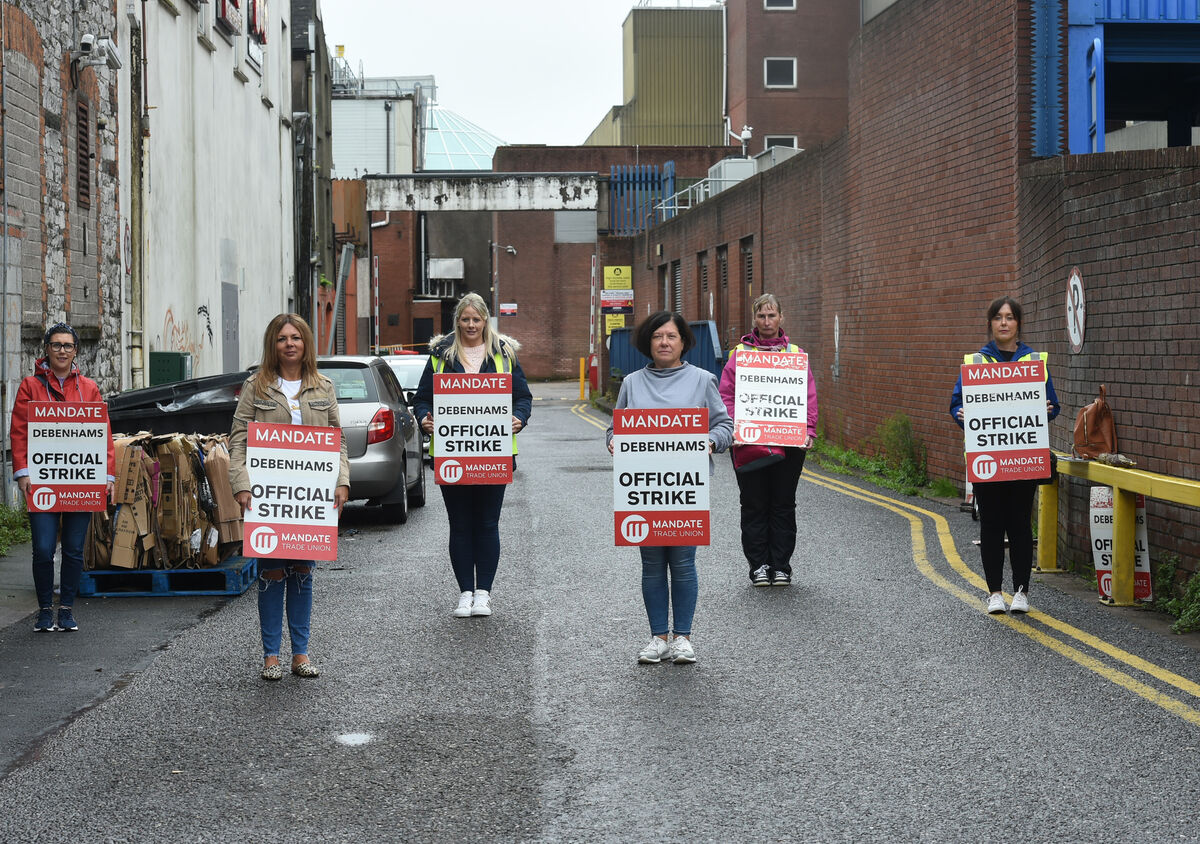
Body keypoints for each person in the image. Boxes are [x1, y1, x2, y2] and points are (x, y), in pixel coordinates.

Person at [606, 311, 733, 665]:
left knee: (682, 562)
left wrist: (709, 440)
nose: (664, 342)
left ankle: (683, 639)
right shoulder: (632, 382)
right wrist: (615, 440)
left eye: (671, 336)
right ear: (648, 342)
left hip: (685, 487)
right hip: (645, 488)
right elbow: (615, 428)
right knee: (651, 563)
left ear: (683, 342)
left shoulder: (702, 380)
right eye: (658, 336)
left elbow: (725, 426)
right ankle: (658, 637)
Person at [229, 314, 350, 680]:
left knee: (301, 572)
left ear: (305, 343)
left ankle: (300, 654)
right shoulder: (256, 387)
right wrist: (241, 483)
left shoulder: (323, 386)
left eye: (296, 337)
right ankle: (270, 655)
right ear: (273, 344)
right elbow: (238, 439)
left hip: (309, 498)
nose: (289, 344)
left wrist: (342, 481)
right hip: (269, 496)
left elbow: (337, 438)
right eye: (282, 338)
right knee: (271, 571)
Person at [413, 293, 532, 619]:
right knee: (460, 525)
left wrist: (519, 417)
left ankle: (484, 595)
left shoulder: (504, 355)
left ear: (485, 321)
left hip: (494, 454)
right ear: (458, 321)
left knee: (487, 523)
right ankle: (465, 593)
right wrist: (425, 418)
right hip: (452, 455)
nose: (470, 325)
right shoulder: (440, 355)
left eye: (476, 319)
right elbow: (422, 399)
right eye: (465, 319)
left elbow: (522, 397)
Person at [950, 296, 1060, 615]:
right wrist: (960, 412)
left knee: (1020, 525)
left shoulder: (1033, 361)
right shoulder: (975, 363)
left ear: (1018, 324)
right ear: (990, 324)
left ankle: (1022, 593)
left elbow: (1050, 404)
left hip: (1024, 458)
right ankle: (995, 593)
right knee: (992, 526)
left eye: (1010, 317)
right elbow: (956, 404)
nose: (1004, 322)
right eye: (998, 317)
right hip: (988, 458)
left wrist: (1047, 411)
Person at [10, 323, 115, 633]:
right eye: (56, 345)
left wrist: (106, 475)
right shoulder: (30, 386)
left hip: (80, 480)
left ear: (76, 351)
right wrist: (22, 472)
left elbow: (103, 434)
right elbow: (19, 431)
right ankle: (44, 610)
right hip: (42, 480)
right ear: (46, 349)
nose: (61, 351)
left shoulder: (90, 388)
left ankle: (66, 609)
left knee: (72, 547)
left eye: (68, 346)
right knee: (43, 548)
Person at [718, 294, 818, 587]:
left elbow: (807, 396)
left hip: (789, 442)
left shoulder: (796, 353)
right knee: (753, 504)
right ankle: (759, 565)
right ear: (754, 319)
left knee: (783, 503)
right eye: (761, 316)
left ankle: (781, 566)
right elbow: (726, 395)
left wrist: (809, 429)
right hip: (749, 442)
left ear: (781, 318)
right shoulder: (740, 354)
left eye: (771, 316)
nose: (766, 322)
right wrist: (736, 427)